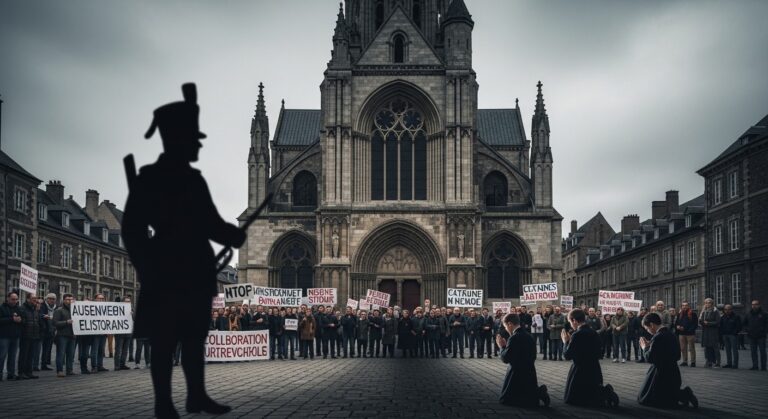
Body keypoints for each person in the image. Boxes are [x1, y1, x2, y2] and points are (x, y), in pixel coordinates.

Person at [123, 83, 247, 418]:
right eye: (193, 140)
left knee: (194, 337)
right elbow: (132, 230)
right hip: (165, 269)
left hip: (196, 269)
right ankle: (163, 402)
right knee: (164, 341)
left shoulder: (195, 180)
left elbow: (210, 223)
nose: (196, 145)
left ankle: (197, 396)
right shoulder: (149, 178)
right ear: (176, 139)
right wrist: (146, 266)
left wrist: (231, 235)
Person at [637, 313, 698, 409]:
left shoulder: (658, 337)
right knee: (668, 396)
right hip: (673, 372)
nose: (648, 331)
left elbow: (650, 358)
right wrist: (652, 345)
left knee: (645, 398)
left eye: (647, 328)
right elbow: (677, 355)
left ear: (652, 325)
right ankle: (685, 394)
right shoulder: (670, 334)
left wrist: (645, 348)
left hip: (660, 374)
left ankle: (685, 394)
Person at [561, 308, 619, 408]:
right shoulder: (593, 332)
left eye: (570, 322)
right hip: (594, 368)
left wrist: (565, 342)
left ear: (574, 320)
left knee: (573, 399)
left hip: (580, 370)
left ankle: (605, 392)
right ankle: (605, 392)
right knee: (592, 391)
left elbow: (567, 355)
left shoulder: (577, 334)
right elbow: (600, 352)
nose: (570, 324)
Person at [497, 313, 550, 407]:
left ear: (510, 324)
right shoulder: (528, 335)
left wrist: (502, 347)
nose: (506, 329)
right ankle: (539, 392)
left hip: (516, 372)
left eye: (505, 326)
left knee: (506, 400)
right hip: (529, 370)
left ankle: (539, 392)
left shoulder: (514, 337)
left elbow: (506, 358)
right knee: (528, 395)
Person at [18, 293, 41, 379]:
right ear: (28, 299)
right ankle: (21, 372)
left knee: (31, 355)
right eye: (33, 299)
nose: (36, 300)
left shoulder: (35, 309)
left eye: (36, 299)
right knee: (24, 355)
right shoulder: (22, 308)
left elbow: (37, 321)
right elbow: (22, 322)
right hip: (25, 335)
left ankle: (29, 372)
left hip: (34, 335)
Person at [0, 292, 22, 380]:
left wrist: (21, 320)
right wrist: (12, 319)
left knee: (13, 356)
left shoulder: (18, 308)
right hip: (4, 336)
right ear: (8, 298)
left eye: (16, 299)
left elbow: (23, 319)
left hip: (15, 336)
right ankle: (0, 374)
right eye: (13, 299)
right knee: (2, 356)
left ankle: (11, 374)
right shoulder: (2, 308)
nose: (15, 301)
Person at [53, 293, 76, 378]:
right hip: (62, 335)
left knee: (71, 354)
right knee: (61, 353)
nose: (69, 301)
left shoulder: (75, 310)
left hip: (72, 335)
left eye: (71, 299)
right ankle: (60, 370)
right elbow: (55, 323)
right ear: (64, 300)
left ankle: (69, 370)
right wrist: (66, 322)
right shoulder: (59, 310)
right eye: (67, 299)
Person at [744, 300, 767, 371]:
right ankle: (755, 366)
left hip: (761, 336)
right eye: (753, 304)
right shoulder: (748, 314)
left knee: (762, 352)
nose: (754, 306)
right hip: (751, 336)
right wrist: (748, 330)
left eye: (756, 304)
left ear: (759, 305)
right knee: (753, 352)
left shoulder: (764, 314)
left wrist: (764, 332)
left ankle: (763, 367)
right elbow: (744, 323)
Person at [699, 298, 721, 368]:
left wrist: (708, 323)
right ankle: (708, 361)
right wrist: (701, 322)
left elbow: (718, 322)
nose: (707, 304)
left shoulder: (715, 311)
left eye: (709, 303)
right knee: (707, 347)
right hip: (705, 332)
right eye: (706, 303)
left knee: (715, 347)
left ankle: (717, 362)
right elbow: (701, 320)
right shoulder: (703, 311)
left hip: (713, 332)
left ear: (712, 303)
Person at [113, 296, 133, 371]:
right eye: (126, 301)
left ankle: (122, 364)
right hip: (119, 333)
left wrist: (132, 314)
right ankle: (117, 365)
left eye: (129, 301)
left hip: (128, 333)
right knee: (118, 349)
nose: (128, 303)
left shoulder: (131, 309)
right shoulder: (117, 309)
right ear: (122, 302)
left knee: (125, 350)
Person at [675, 301, 697, 367]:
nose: (684, 307)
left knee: (691, 348)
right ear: (681, 307)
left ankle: (693, 362)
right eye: (683, 305)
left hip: (690, 334)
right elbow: (676, 323)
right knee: (683, 348)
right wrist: (677, 326)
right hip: (681, 334)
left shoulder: (693, 314)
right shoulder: (680, 314)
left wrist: (686, 329)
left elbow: (695, 324)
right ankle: (685, 361)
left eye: (686, 305)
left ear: (688, 306)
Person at [39, 293, 57, 371]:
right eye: (50, 298)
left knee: (48, 348)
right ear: (46, 299)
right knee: (38, 349)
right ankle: (35, 364)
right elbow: (39, 314)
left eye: (53, 299)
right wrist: (43, 316)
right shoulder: (42, 306)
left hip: (52, 330)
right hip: (43, 330)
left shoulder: (56, 307)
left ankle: (45, 363)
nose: (52, 300)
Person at [719, 304, 741, 369]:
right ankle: (729, 363)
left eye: (728, 309)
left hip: (733, 335)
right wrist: (722, 333)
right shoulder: (723, 317)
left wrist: (734, 333)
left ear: (731, 309)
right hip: (725, 335)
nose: (727, 311)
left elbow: (739, 326)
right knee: (727, 350)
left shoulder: (736, 317)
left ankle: (735, 364)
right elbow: (721, 326)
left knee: (735, 350)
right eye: (725, 309)